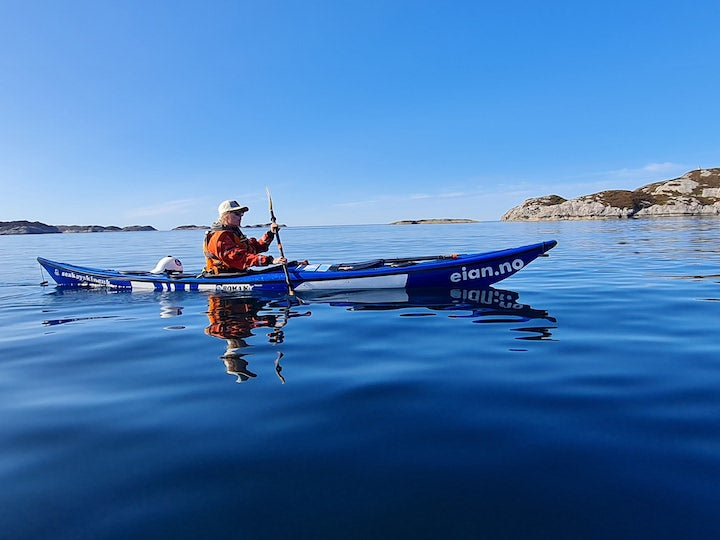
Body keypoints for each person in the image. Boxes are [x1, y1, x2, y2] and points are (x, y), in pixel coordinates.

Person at [203, 200, 287, 274]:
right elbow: (239, 257)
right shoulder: (220, 237)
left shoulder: (234, 233)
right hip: (225, 275)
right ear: (225, 215)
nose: (240, 217)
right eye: (237, 214)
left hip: (238, 273)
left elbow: (253, 248)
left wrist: (270, 234)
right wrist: (270, 260)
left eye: (241, 214)